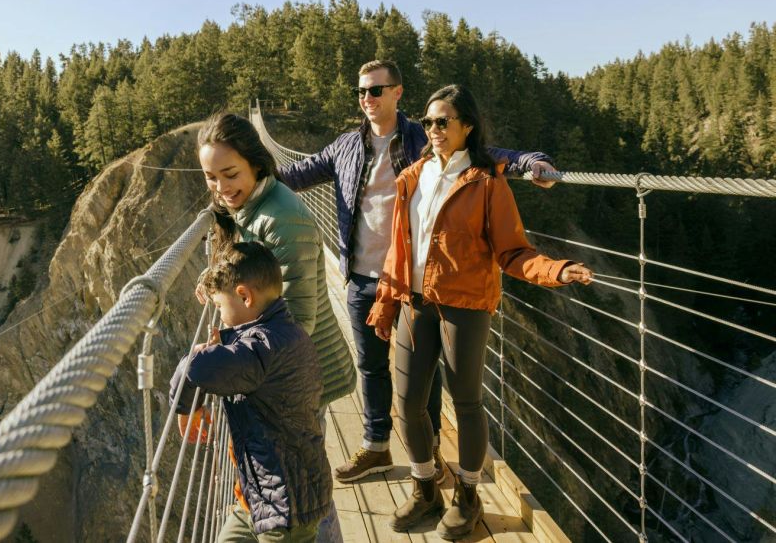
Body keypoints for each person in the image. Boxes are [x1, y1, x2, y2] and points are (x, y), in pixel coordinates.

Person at [279, 59, 558, 486]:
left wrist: (529, 162)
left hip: (412, 281)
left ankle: (426, 457)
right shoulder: (345, 146)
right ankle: (377, 447)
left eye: (376, 90)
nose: (366, 100)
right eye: (361, 92)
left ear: (397, 93)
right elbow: (297, 174)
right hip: (362, 276)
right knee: (371, 367)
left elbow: (484, 156)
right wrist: (244, 184)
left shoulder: (422, 137)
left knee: (420, 380)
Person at [367, 84, 593, 537]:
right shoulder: (413, 176)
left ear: (467, 126)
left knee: (467, 402)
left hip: (465, 308)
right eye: (428, 122)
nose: (433, 130)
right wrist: (387, 300)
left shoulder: (488, 182)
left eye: (443, 122)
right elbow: (399, 248)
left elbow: (513, 251)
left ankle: (467, 496)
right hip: (415, 303)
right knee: (408, 403)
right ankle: (425, 487)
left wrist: (557, 270)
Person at [197, 112, 355, 541]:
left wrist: (233, 362)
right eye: (210, 177)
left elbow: (298, 321)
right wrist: (213, 281)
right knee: (304, 490)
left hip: (299, 373)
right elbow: (250, 274)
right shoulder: (249, 206)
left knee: (302, 495)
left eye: (229, 174)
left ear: (257, 164)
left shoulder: (282, 219)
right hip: (279, 368)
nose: (220, 188)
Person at [171, 242, 331, 542]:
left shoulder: (258, 351)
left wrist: (187, 408)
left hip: (286, 507)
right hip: (260, 496)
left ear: (244, 296)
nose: (219, 318)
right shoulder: (286, 332)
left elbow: (196, 369)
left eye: (219, 306)